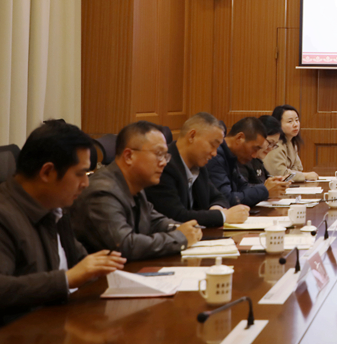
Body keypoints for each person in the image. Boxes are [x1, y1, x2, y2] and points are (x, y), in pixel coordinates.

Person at [0, 120, 126, 324]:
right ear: (47, 172)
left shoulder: (56, 205)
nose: (86, 183)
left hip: (62, 321)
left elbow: (81, 263)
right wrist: (67, 279)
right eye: (80, 174)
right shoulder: (4, 215)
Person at [71, 121, 202, 260]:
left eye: (165, 156)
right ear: (128, 156)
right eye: (158, 154)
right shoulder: (102, 192)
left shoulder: (135, 186)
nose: (163, 162)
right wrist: (179, 238)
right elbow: (125, 245)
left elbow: (155, 221)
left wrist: (184, 228)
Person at [145, 113, 249, 228]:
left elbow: (219, 197)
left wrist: (216, 208)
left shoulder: (199, 166)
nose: (214, 153)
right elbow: (176, 216)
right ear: (192, 136)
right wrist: (222, 216)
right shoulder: (163, 166)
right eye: (212, 145)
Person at [207, 117, 287, 206]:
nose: (254, 155)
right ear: (239, 138)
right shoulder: (215, 157)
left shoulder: (231, 155)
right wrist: (265, 190)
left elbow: (243, 187)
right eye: (254, 148)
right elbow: (226, 199)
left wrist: (269, 186)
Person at [264, 105, 317, 182]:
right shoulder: (274, 145)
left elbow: (298, 168)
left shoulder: (292, 142)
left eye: (297, 120)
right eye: (290, 121)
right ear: (278, 124)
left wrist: (298, 174)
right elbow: (279, 173)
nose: (295, 124)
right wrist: (305, 176)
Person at [239, 116, 279, 185]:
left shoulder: (257, 160)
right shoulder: (241, 160)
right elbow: (243, 188)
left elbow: (266, 179)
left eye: (274, 145)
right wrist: (266, 188)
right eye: (270, 143)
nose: (270, 149)